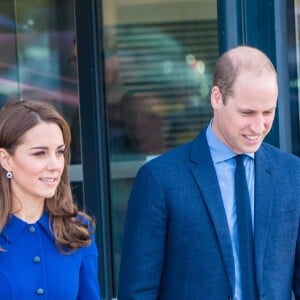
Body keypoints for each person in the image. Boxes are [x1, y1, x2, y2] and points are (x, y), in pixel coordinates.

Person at [118, 45, 300, 299]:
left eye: (268, 112)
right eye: (247, 112)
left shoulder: (292, 174)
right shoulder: (160, 179)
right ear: (217, 98)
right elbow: (138, 291)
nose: (258, 126)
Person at [0, 100, 101, 299]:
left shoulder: (79, 230)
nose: (55, 165)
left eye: (60, 152)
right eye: (40, 153)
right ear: (6, 160)